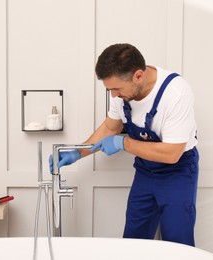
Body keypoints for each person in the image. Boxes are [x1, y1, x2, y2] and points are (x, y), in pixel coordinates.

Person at [49, 43, 199, 246]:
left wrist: (124, 142)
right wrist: (77, 151)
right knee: (134, 241)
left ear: (138, 75)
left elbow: (172, 153)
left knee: (177, 242)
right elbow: (111, 128)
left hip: (178, 173)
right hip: (146, 171)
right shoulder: (120, 94)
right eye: (109, 89)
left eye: (116, 89)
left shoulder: (175, 94)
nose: (113, 95)